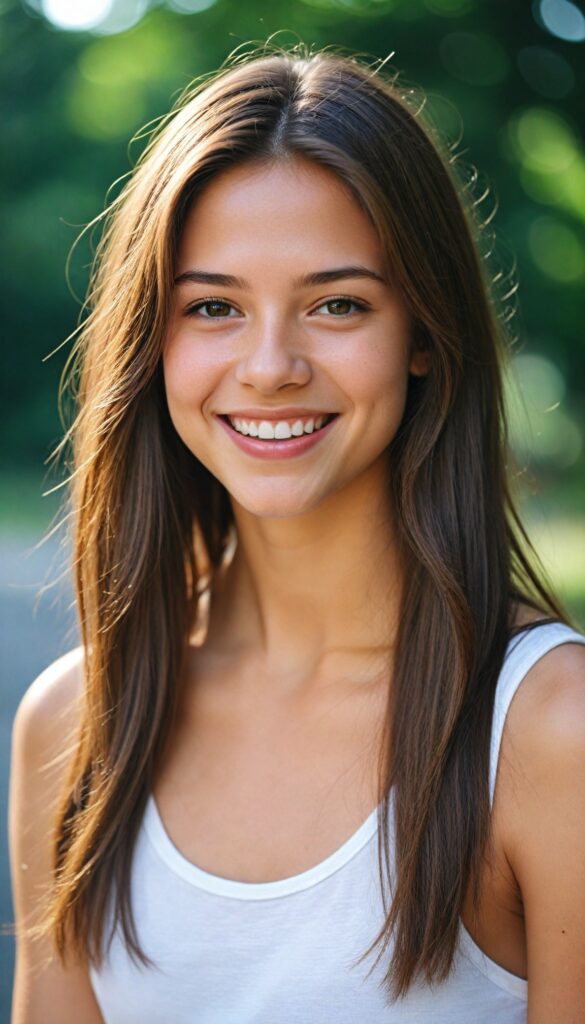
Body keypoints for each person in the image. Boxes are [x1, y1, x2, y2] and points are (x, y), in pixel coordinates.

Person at [8, 45, 585, 1024]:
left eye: (337, 304)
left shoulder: (550, 731)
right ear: (155, 340)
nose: (270, 365)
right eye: (214, 307)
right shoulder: (74, 725)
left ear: (423, 337)